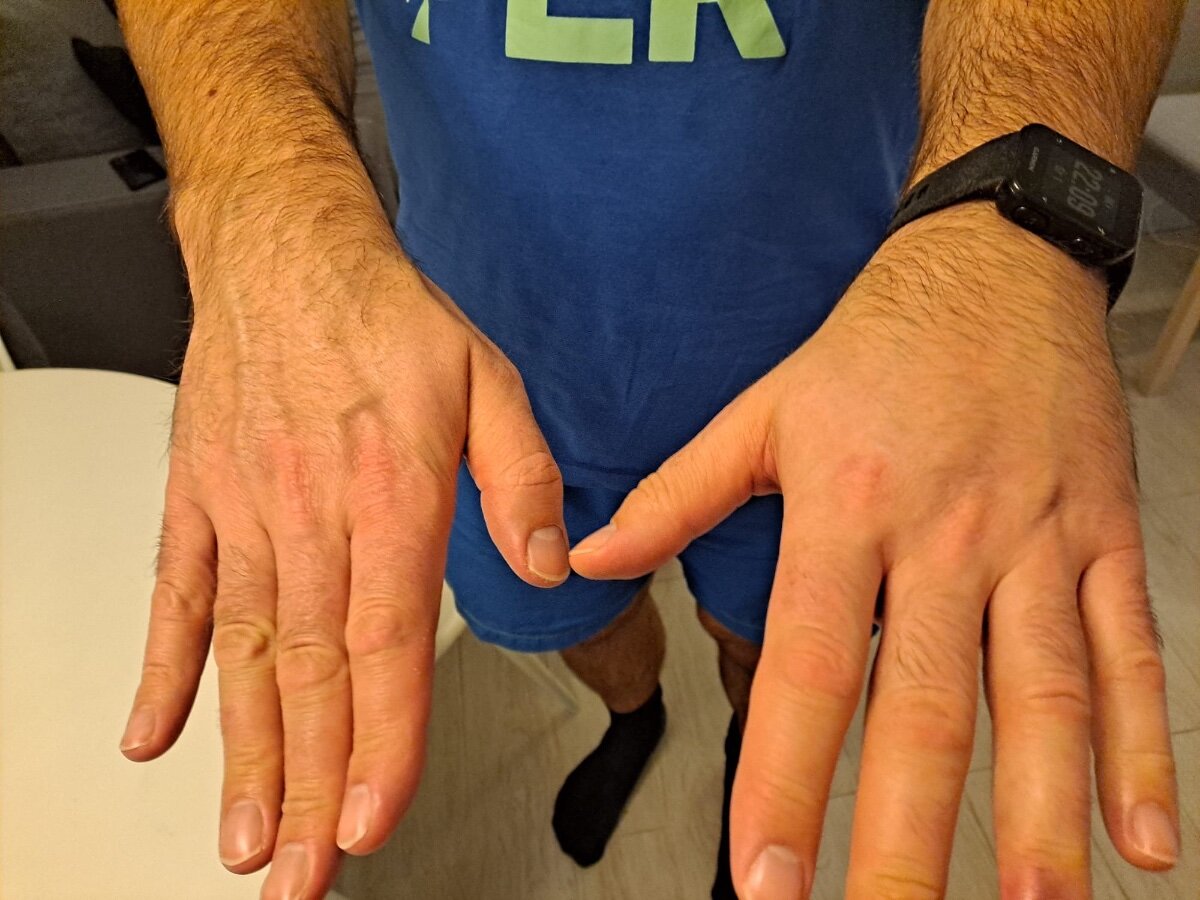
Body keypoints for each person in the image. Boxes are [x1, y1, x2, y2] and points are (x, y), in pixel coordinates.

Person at [116, 1, 1183, 898]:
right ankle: (637, 716)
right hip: (463, 361)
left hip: (847, 366)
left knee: (767, 645)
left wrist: (1015, 213)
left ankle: (739, 751)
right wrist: (259, 196)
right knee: (571, 615)